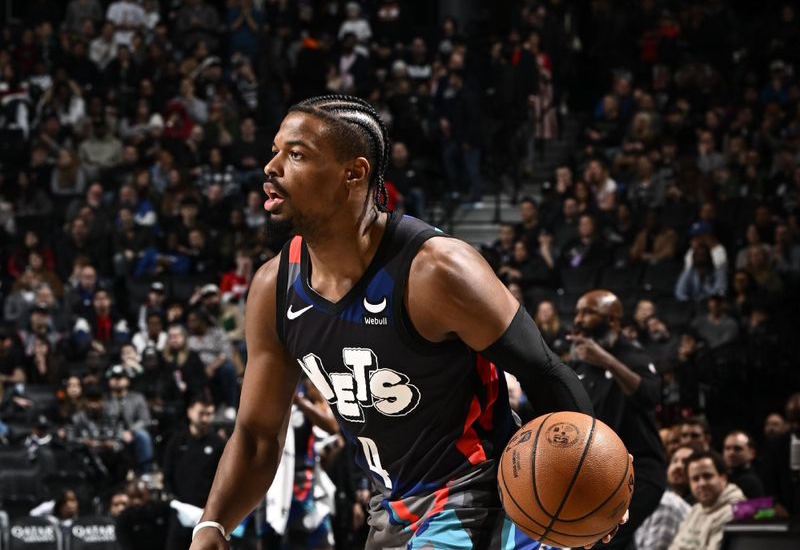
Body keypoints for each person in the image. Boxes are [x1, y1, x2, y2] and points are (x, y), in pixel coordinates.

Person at [189, 95, 625, 550]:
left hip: (477, 494)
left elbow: (544, 369)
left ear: (353, 173)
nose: (271, 166)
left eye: (295, 154)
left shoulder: (437, 271)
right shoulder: (272, 289)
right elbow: (258, 436)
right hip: (391, 507)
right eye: (275, 150)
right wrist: (212, 525)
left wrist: (596, 483)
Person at [568, 289, 666, 549]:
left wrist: (606, 360)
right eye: (577, 312)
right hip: (601, 475)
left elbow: (651, 395)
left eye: (588, 312)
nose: (578, 319)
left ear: (612, 320)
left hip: (640, 473)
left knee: (604, 540)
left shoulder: (633, 356)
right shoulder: (580, 367)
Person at [163, 395, 225, 549]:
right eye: (201, 413)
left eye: (209, 414)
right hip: (180, 512)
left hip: (207, 515)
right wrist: (173, 499)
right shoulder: (177, 441)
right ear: (190, 412)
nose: (205, 419)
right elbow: (167, 473)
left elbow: (224, 479)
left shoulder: (218, 444)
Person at [668, 450, 745, 550]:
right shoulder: (696, 509)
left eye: (707, 476)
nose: (702, 483)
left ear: (723, 478)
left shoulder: (735, 511)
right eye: (695, 479)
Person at [722, 430, 765, 499]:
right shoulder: (723, 477)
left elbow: (763, 509)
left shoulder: (752, 483)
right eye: (727, 448)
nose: (731, 453)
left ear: (752, 453)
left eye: (737, 449)